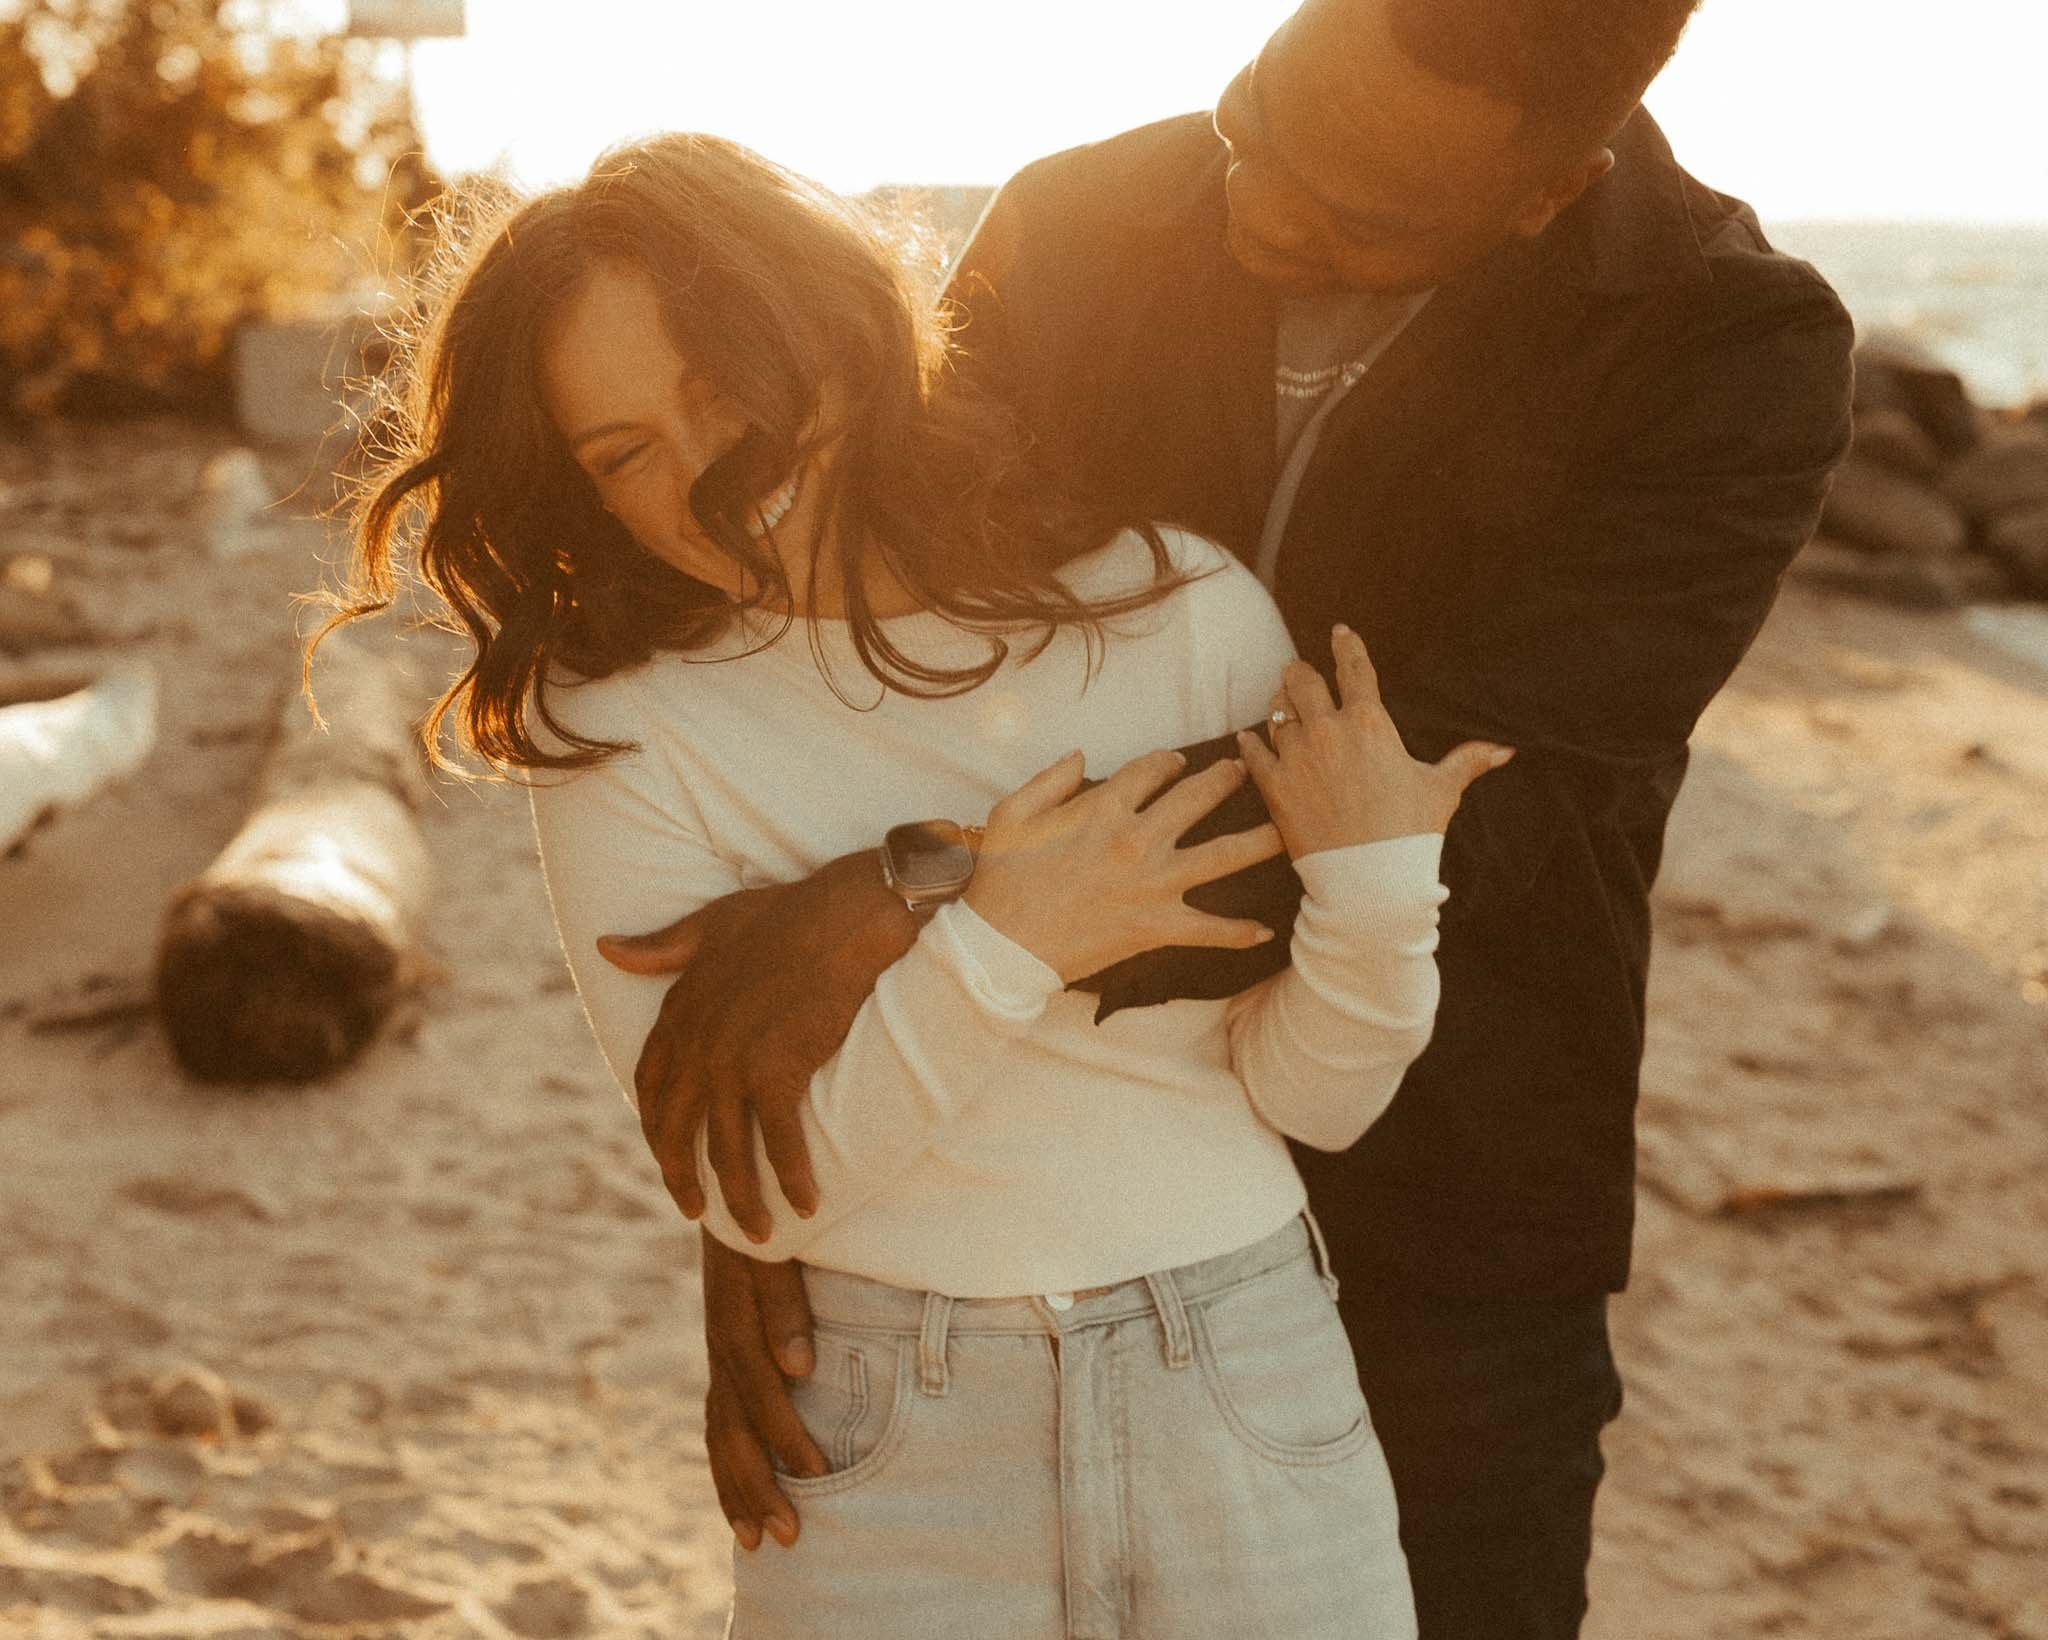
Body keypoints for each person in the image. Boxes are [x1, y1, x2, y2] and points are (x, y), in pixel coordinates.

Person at [596, 0, 1858, 1634]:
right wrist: (765, 1169)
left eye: (1354, 212)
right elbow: (868, 640)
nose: (1254, 200)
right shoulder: (1070, 223)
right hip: (1012, 1164)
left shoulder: (1727, 348)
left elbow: (1453, 789)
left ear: (1546, 194)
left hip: (1451, 1188)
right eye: (1259, 110)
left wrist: (908, 899)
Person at [330, 131, 1518, 1637]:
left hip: (1246, 1371)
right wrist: (1009, 932)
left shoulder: (1180, 610)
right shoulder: (624, 728)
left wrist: (1377, 888)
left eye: (721, 393)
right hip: (883, 1434)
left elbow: (1315, 1096)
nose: (705, 475)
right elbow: (752, 1200)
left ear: (832, 336)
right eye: (622, 453)